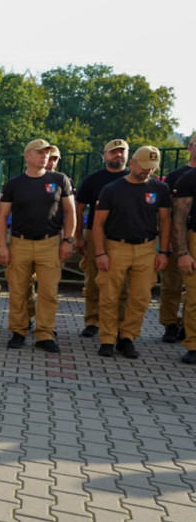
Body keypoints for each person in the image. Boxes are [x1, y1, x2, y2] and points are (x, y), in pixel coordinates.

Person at [0, 139, 76, 353]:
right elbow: (2, 217)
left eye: (47, 153)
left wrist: (68, 240)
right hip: (20, 243)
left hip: (50, 243)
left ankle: (45, 334)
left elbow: (70, 212)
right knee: (18, 291)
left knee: (49, 292)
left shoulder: (59, 180)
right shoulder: (14, 183)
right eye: (40, 153)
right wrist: (2, 246)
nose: (45, 157)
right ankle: (19, 331)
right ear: (27, 157)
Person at [90, 146, 170, 359]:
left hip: (146, 248)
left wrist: (163, 251)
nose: (148, 172)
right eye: (144, 167)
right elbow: (98, 224)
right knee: (109, 296)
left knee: (141, 297)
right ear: (132, 163)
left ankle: (128, 338)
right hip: (116, 246)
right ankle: (107, 338)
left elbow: (164, 221)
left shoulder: (160, 189)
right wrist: (100, 253)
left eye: (152, 168)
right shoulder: (112, 189)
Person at [74, 139, 131, 338]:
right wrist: (78, 236)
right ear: (105, 155)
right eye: (113, 152)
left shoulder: (134, 178)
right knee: (93, 281)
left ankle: (119, 322)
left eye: (122, 152)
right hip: (95, 235)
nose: (118, 155)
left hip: (124, 237)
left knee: (123, 284)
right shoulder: (93, 180)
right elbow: (79, 209)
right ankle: (92, 321)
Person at [159, 132, 196, 343]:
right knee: (171, 284)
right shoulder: (177, 176)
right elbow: (167, 213)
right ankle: (170, 323)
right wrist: (168, 243)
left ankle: (187, 326)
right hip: (180, 235)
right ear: (189, 147)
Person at [171, 162, 196, 364]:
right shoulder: (189, 178)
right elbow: (179, 217)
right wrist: (182, 252)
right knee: (195, 298)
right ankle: (194, 345)